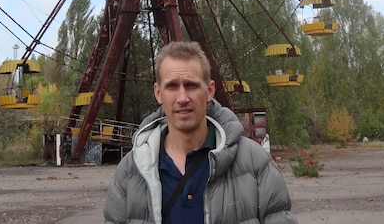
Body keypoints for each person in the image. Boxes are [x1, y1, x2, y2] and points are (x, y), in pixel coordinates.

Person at [104, 41, 297, 224]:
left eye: (191, 85)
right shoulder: (130, 171)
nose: (182, 98)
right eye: (172, 86)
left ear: (210, 91)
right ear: (158, 93)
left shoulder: (256, 164)